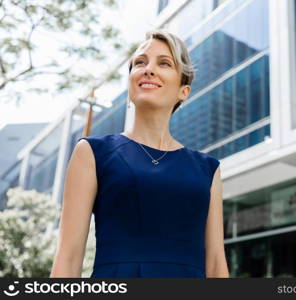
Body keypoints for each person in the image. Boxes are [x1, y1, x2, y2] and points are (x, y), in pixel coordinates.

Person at [50, 29, 229, 278]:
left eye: (164, 63)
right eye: (140, 63)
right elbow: (67, 260)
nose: (148, 69)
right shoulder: (92, 153)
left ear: (183, 91)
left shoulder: (208, 169)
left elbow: (216, 264)